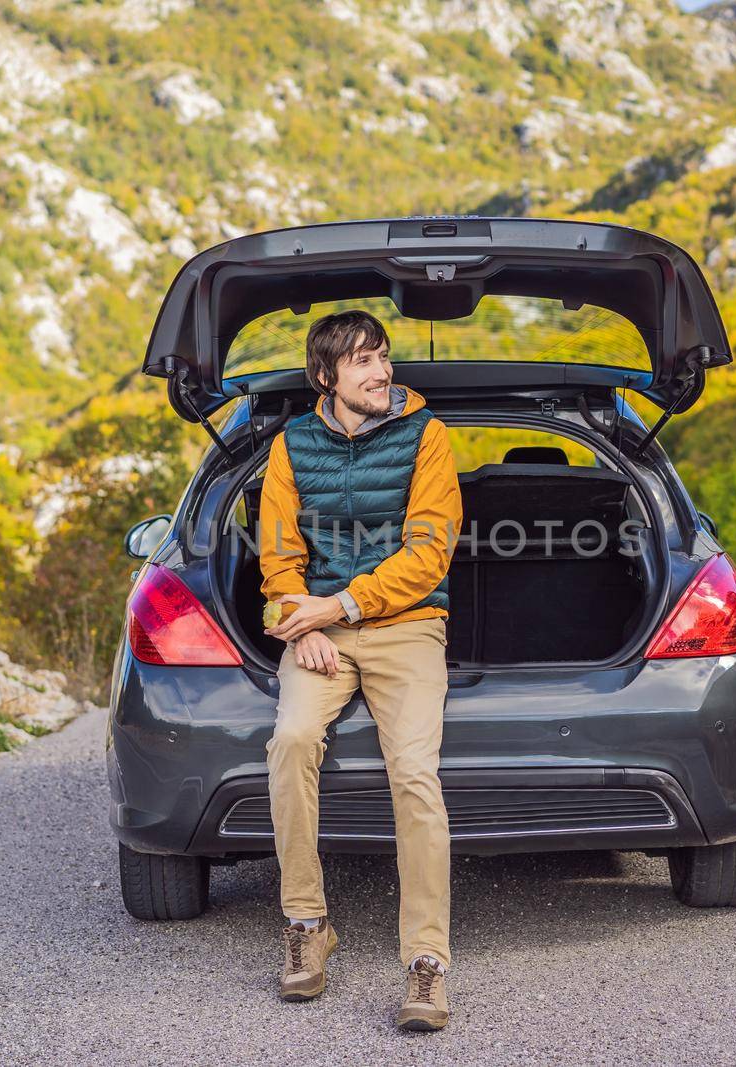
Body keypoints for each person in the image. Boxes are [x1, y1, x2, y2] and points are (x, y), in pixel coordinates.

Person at [257, 308, 462, 1031]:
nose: (382, 372)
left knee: (413, 772)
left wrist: (333, 607)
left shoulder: (426, 436)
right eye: (364, 361)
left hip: (405, 625)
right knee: (290, 741)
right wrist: (294, 615)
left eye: (383, 356)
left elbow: (427, 554)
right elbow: (277, 553)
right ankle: (308, 925)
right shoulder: (291, 444)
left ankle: (426, 965)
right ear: (326, 376)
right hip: (320, 632)